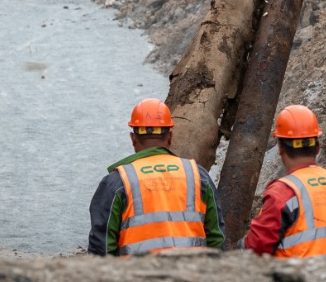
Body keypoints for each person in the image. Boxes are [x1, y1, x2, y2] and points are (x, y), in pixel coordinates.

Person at [87, 98, 224, 256]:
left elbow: (101, 249)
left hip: (136, 278)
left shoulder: (117, 182)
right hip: (191, 274)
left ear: (133, 139)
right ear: (170, 137)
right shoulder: (198, 175)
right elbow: (216, 238)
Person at [242, 104, 326, 258]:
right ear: (318, 147)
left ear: (280, 148)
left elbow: (256, 247)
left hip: (300, 279)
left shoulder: (283, 193)